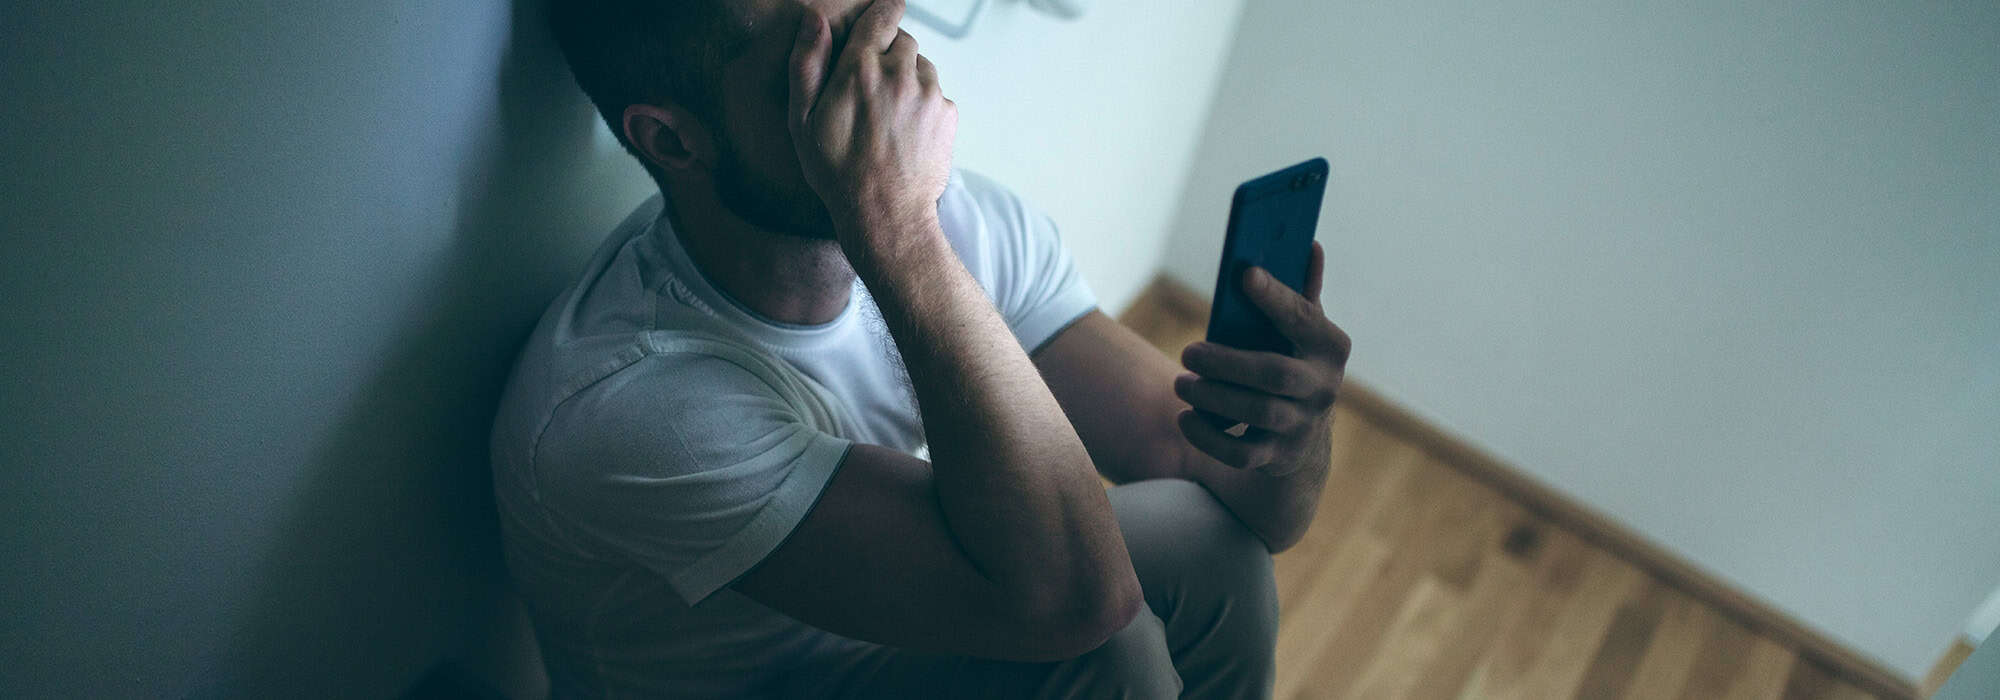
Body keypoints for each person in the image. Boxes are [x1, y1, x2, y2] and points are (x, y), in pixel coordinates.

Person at [489, 0, 1354, 697]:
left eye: (880, 15)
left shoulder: (962, 221)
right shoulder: (624, 403)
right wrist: (896, 231)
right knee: (1110, 654)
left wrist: (1288, 433)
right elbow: (1080, 604)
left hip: (885, 639)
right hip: (771, 684)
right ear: (674, 139)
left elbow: (1255, 510)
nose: (897, 70)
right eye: (831, 59)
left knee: (1212, 543)